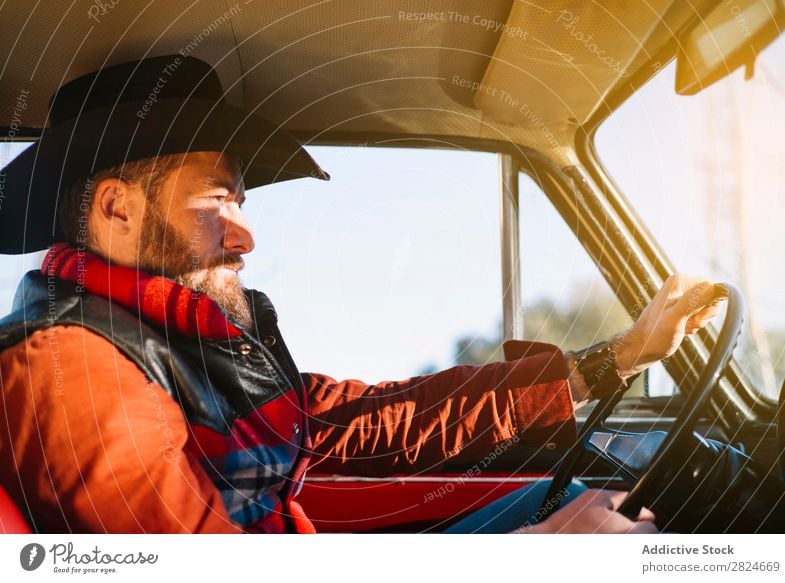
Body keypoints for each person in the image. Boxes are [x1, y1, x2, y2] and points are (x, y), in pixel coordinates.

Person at [0, 55, 721, 534]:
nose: (247, 237)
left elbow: (378, 419)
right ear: (118, 210)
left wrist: (616, 358)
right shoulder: (72, 368)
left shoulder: (177, 343)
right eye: (218, 198)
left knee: (582, 500)